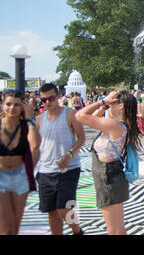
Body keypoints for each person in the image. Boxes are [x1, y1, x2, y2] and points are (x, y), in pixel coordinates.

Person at [75, 90, 142, 235]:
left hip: (109, 179)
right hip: (111, 177)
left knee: (115, 230)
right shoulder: (118, 125)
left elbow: (80, 116)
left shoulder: (114, 125)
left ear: (121, 106)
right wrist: (105, 106)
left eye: (114, 102)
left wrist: (103, 102)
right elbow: (93, 117)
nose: (110, 103)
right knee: (117, 229)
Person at [35, 83, 85, 235]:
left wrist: (70, 154)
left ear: (57, 97)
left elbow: (81, 138)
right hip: (45, 170)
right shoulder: (38, 119)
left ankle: (77, 231)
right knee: (51, 212)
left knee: (64, 209)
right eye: (43, 100)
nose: (48, 102)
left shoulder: (69, 114)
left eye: (51, 98)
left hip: (68, 169)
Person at [0, 91, 41, 235]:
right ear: (3, 104)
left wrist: (30, 120)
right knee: (5, 228)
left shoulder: (25, 125)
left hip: (20, 176)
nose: (12, 108)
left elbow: (35, 144)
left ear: (22, 107)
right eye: (8, 104)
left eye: (17, 105)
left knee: (15, 227)